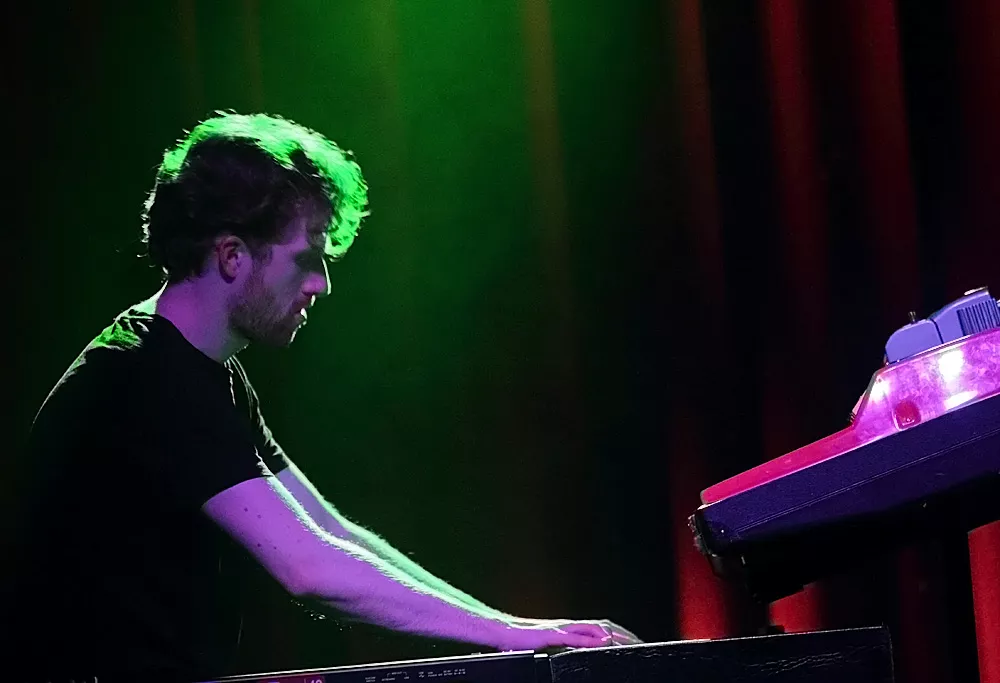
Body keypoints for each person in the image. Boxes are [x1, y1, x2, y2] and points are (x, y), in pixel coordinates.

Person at [8, 112, 640, 683]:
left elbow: (330, 530)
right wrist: (509, 635)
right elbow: (308, 568)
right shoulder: (146, 377)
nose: (322, 285)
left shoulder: (204, 371)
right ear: (231, 255)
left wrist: (512, 629)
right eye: (306, 259)